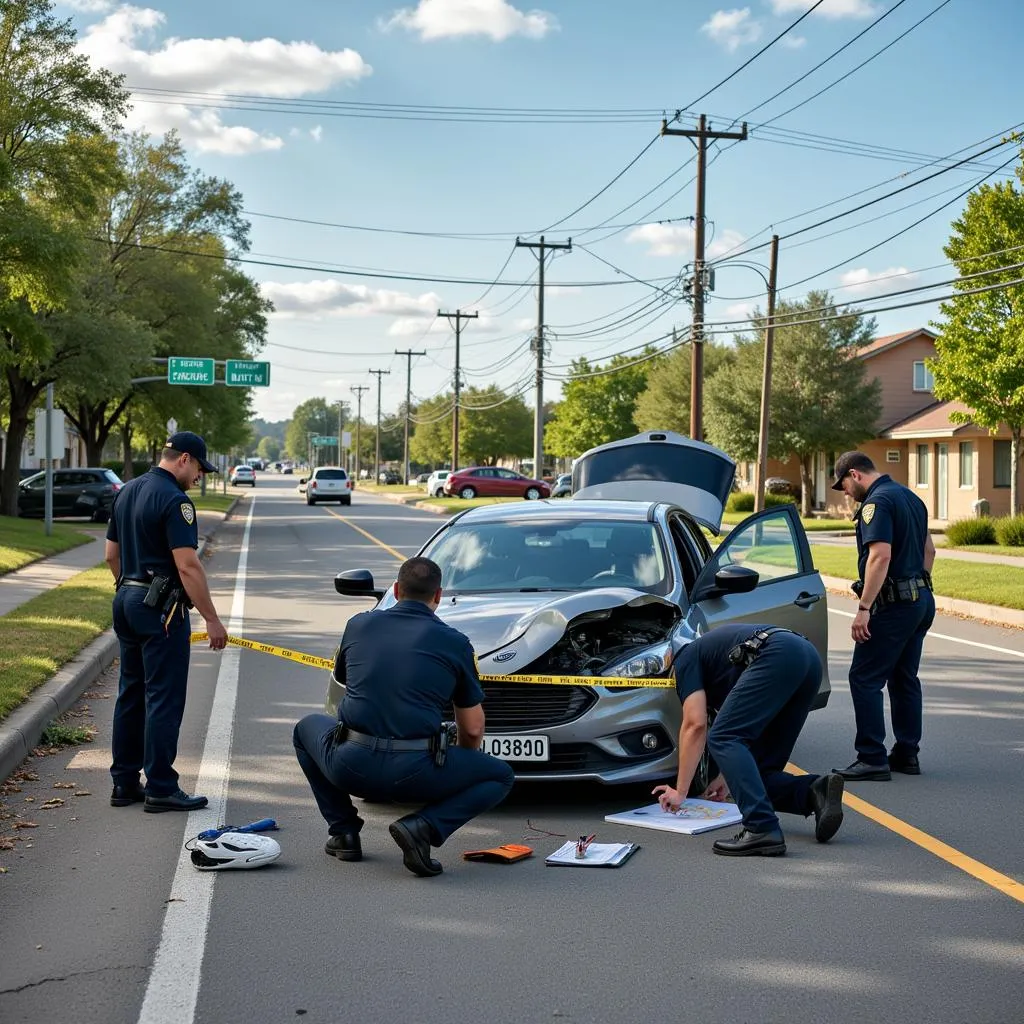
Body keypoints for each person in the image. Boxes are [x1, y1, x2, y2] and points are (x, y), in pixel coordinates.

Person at [293, 557, 514, 877]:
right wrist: (458, 770)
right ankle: (423, 826)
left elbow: (345, 679)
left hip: (350, 765)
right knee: (500, 775)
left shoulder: (358, 624)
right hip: (417, 772)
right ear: (438, 596)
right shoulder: (455, 643)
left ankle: (343, 832)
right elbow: (473, 728)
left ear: (396, 590)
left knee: (305, 729)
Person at [104, 431, 228, 812]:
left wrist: (131, 590)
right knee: (163, 697)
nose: (200, 478)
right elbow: (187, 565)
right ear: (184, 458)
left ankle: (124, 783)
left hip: (125, 598)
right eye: (200, 470)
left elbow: (111, 555)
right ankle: (160, 785)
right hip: (161, 609)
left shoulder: (126, 491)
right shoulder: (176, 501)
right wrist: (212, 620)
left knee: (131, 692)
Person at [653, 625, 845, 857]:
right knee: (759, 772)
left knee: (722, 737)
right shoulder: (716, 661)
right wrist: (726, 776)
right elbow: (739, 726)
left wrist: (680, 791)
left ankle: (761, 827)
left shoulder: (684, 659)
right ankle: (814, 791)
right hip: (806, 658)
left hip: (778, 655)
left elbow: (695, 724)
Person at [830, 450, 936, 781]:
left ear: (854, 474)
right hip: (920, 601)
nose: (845, 492)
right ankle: (907, 754)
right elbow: (929, 551)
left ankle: (872, 757)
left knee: (864, 678)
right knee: (904, 678)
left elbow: (880, 556)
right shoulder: (911, 498)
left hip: (893, 607)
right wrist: (918, 586)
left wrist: (864, 608)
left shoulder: (877, 504)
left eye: (843, 485)